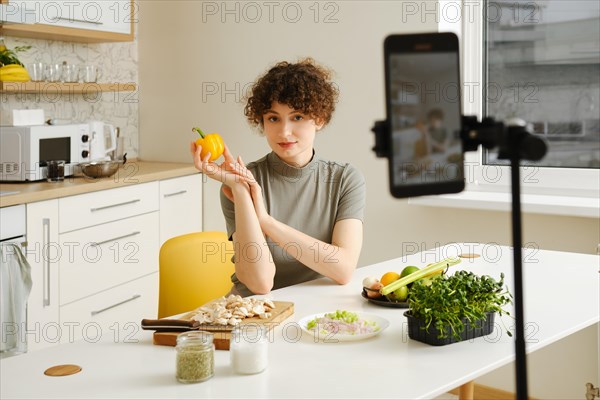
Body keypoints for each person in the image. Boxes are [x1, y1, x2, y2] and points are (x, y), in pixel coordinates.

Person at [190, 58, 366, 297]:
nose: (284, 132)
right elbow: (259, 283)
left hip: (314, 307)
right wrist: (241, 191)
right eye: (273, 118)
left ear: (320, 119)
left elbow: (343, 269)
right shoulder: (243, 181)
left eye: (297, 117)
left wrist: (265, 220)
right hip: (253, 310)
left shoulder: (345, 179)